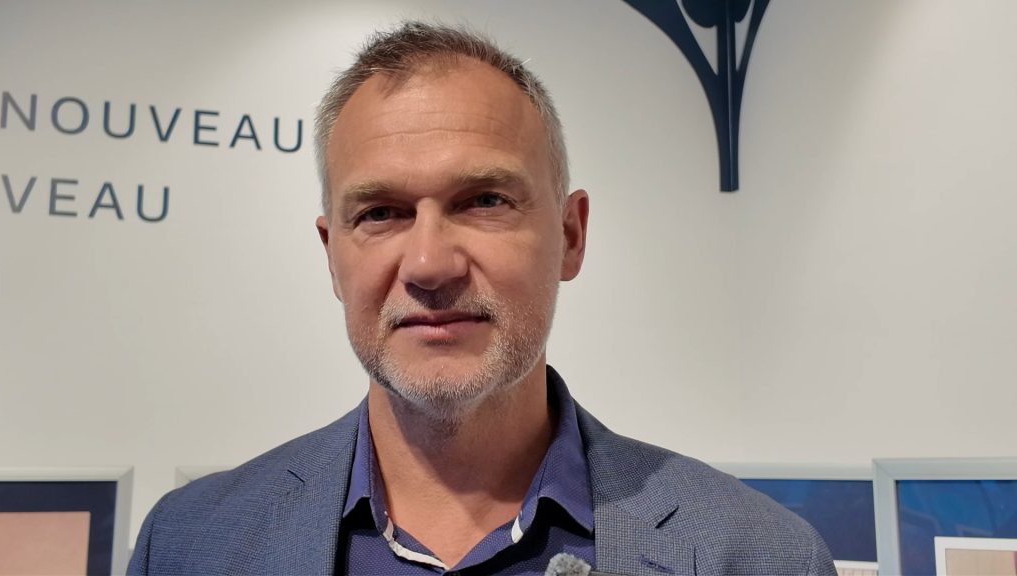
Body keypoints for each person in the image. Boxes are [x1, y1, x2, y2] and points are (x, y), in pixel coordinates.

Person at [128, 21, 836, 576]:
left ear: (570, 236)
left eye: (484, 201)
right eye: (380, 213)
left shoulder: (757, 555)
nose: (429, 264)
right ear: (331, 256)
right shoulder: (188, 545)